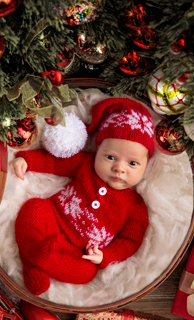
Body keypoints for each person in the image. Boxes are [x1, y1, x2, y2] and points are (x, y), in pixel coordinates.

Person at [13, 97, 155, 295]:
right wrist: (27, 160)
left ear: (146, 166)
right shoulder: (85, 165)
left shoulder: (135, 205)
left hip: (79, 251)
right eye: (110, 157)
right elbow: (56, 163)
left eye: (132, 163)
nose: (119, 168)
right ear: (97, 152)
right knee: (34, 207)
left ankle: (39, 261)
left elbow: (130, 241)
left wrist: (105, 256)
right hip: (53, 219)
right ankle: (32, 260)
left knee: (87, 272)